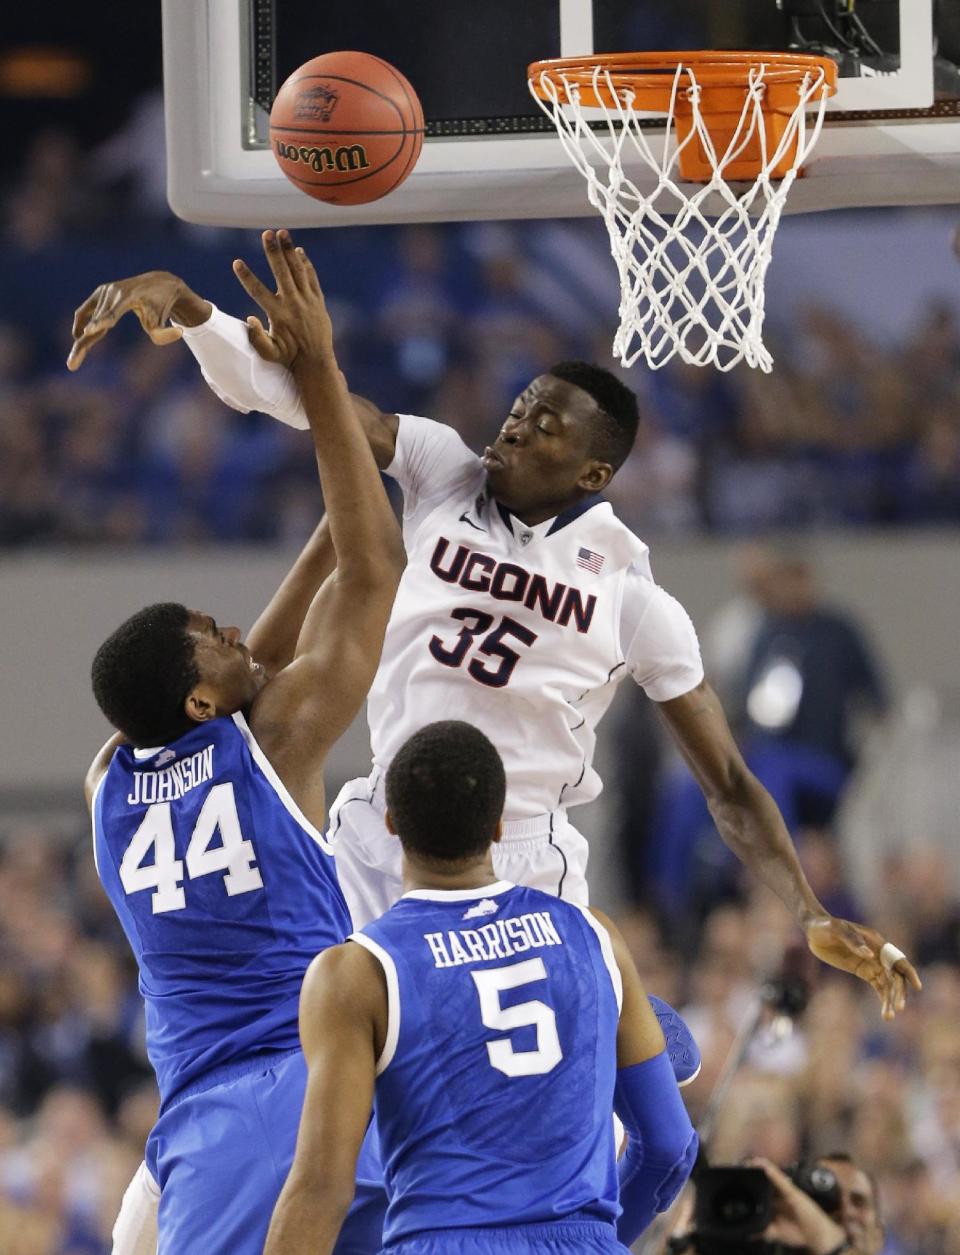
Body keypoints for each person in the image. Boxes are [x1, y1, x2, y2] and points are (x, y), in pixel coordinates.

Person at [67, 238, 919, 1028]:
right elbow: (310, 399)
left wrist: (808, 908)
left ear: (593, 472)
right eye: (520, 407)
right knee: (339, 1063)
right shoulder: (443, 468)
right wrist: (189, 312)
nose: (515, 425)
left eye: (544, 425)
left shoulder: (632, 598)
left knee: (531, 1085)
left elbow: (729, 783)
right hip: (381, 832)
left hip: (515, 859)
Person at [77, 232, 405, 1255]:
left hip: (210, 1126)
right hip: (328, 1085)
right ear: (202, 704)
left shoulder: (106, 780)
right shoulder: (279, 737)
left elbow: (246, 669)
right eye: (213, 640)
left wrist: (325, 532)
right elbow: (376, 571)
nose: (236, 633)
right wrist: (315, 372)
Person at [264, 720, 699, 1255]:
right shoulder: (596, 936)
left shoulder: (356, 974)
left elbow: (321, 1190)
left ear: (392, 823)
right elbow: (669, 1147)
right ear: (498, 825)